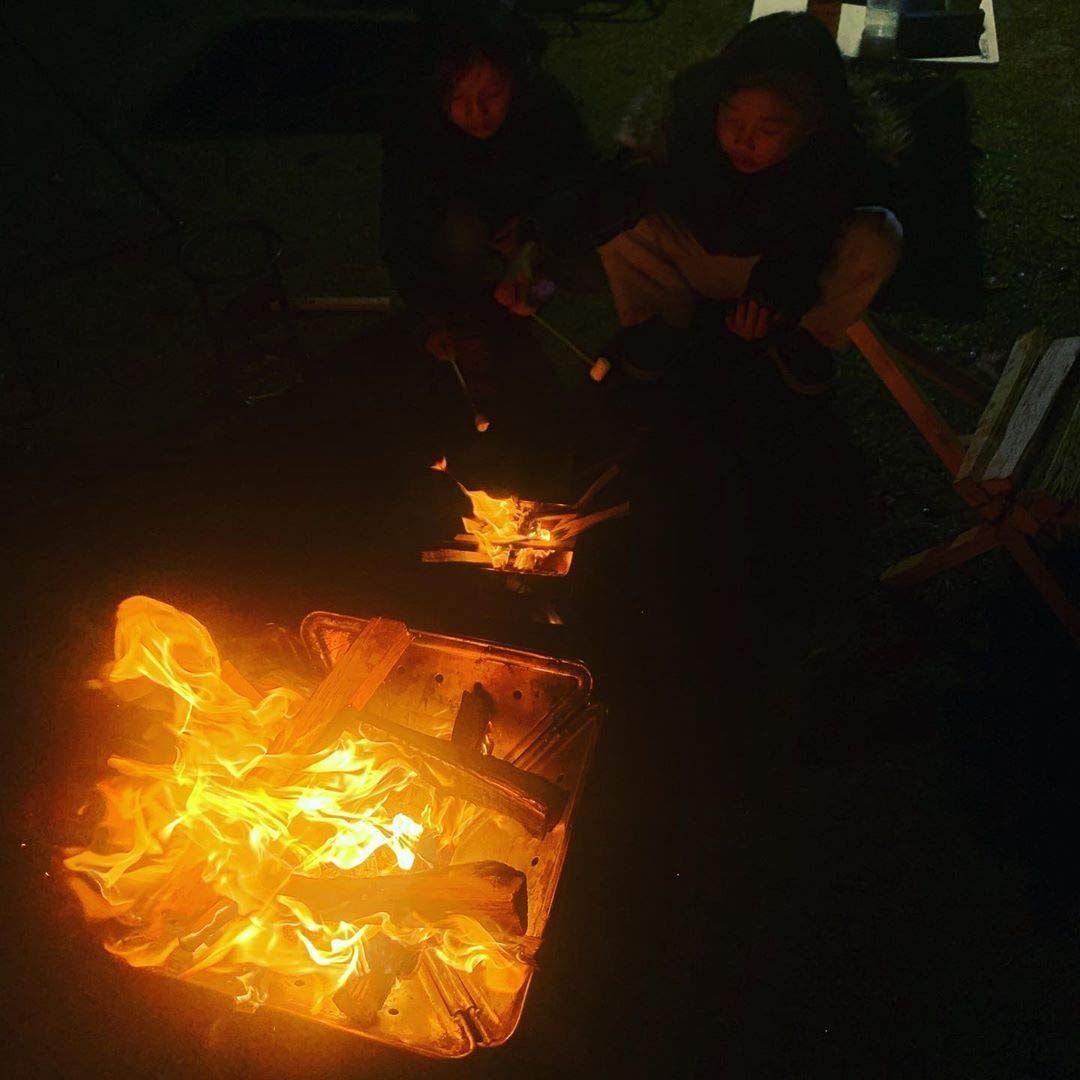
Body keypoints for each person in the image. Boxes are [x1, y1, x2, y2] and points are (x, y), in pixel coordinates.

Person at [591, 12, 904, 394]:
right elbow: (627, 186)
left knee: (879, 234)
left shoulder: (837, 159)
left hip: (794, 279)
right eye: (732, 119)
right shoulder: (687, 130)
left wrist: (773, 298)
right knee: (623, 216)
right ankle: (659, 323)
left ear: (813, 123)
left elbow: (812, 237)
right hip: (701, 256)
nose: (743, 140)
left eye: (768, 129)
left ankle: (809, 336)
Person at [378, 5, 596, 377]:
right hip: (463, 214)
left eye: (492, 95)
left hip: (533, 216)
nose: (477, 113)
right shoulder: (416, 124)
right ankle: (470, 322)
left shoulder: (545, 104)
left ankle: (530, 297)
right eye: (458, 99)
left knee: (586, 267)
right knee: (461, 237)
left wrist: (533, 237)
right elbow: (402, 223)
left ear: (515, 79)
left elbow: (581, 180)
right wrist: (430, 317)